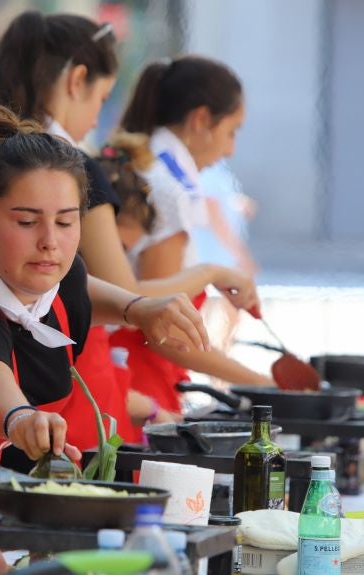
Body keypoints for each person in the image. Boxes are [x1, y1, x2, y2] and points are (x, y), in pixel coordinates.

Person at [0, 98, 209, 489]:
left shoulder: (53, 280)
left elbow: (76, 287)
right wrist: (21, 418)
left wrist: (136, 307)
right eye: (26, 221)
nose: (50, 242)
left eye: (66, 221)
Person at [0, 11, 265, 444]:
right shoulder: (67, 167)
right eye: (29, 220)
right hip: (52, 388)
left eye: (65, 221)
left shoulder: (12, 159)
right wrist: (210, 276)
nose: (97, 118)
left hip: (42, 383)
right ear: (77, 81)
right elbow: (124, 292)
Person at [112, 55, 274, 416]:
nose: (231, 148)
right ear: (201, 120)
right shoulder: (169, 188)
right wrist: (264, 385)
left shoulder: (154, 167)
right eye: (231, 132)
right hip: (139, 381)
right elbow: (160, 329)